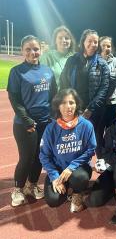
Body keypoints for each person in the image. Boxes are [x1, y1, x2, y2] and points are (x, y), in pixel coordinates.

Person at [7, 35, 57, 207]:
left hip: (45, 123)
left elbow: (53, 96)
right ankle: (18, 189)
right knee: (26, 158)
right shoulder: (17, 71)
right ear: (22, 51)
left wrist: (52, 117)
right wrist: (27, 119)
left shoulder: (48, 71)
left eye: (35, 49)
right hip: (24, 124)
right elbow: (14, 98)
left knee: (40, 157)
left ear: (41, 50)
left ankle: (32, 185)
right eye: (28, 49)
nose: (32, 52)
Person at [39, 89, 96, 212]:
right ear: (58, 106)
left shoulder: (86, 125)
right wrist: (54, 177)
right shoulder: (51, 128)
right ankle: (64, 186)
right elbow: (44, 156)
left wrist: (71, 167)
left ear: (77, 105)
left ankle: (77, 193)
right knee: (54, 200)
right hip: (58, 169)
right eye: (63, 103)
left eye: (71, 102)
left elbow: (91, 150)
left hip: (78, 169)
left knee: (80, 178)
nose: (68, 107)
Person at [60, 29, 110, 157]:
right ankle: (75, 164)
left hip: (94, 109)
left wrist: (90, 109)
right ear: (83, 42)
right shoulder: (72, 60)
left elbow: (104, 88)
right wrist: (69, 103)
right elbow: (64, 81)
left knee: (96, 135)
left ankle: (99, 160)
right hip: (74, 107)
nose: (93, 44)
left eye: (95, 42)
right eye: (90, 41)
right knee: (74, 137)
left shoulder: (102, 64)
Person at [98, 36, 116, 128]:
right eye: (103, 45)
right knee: (98, 130)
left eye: (108, 46)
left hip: (113, 102)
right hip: (99, 102)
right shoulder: (95, 61)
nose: (106, 48)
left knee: (113, 130)